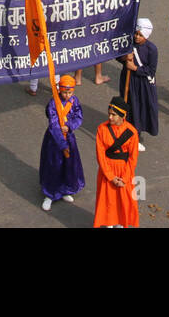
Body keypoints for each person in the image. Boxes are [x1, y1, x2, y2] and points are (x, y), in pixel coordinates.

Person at [93, 97, 139, 228]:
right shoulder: (102, 129)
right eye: (109, 114)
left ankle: (120, 223)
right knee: (108, 201)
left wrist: (124, 178)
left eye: (114, 115)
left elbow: (133, 158)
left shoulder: (132, 132)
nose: (110, 117)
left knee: (123, 201)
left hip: (125, 171)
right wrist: (111, 177)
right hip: (107, 170)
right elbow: (100, 155)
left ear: (123, 116)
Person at [40, 75, 84, 211]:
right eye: (65, 92)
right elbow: (53, 124)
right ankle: (50, 194)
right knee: (53, 166)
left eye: (70, 92)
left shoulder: (74, 101)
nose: (67, 95)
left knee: (69, 165)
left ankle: (66, 189)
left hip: (69, 138)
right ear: (60, 90)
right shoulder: (53, 103)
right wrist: (62, 145)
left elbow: (79, 116)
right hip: (54, 140)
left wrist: (70, 126)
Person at [118, 18, 158, 149]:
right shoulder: (129, 44)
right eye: (136, 33)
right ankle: (125, 132)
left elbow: (151, 71)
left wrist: (135, 68)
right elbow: (118, 56)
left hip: (142, 84)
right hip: (128, 80)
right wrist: (125, 58)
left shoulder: (152, 49)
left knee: (139, 109)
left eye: (140, 35)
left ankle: (136, 136)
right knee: (127, 107)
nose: (137, 37)